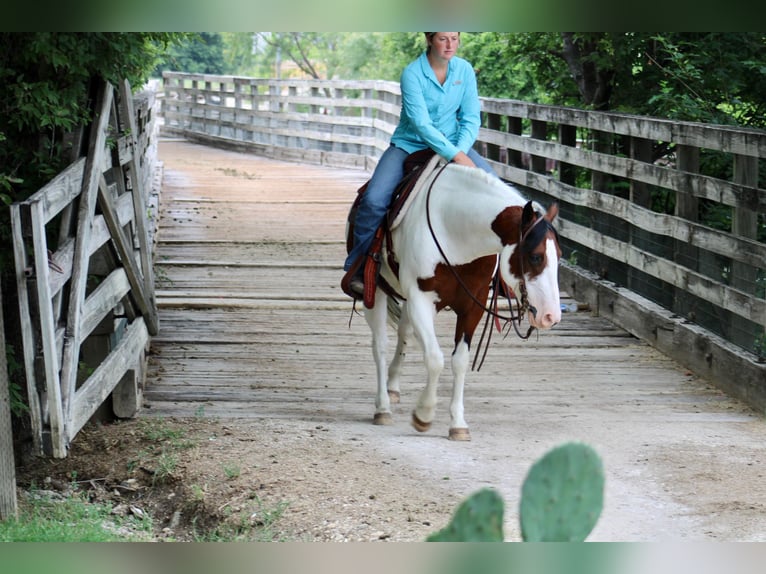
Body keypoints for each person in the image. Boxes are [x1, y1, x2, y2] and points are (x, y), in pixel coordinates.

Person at [343, 32, 497, 298]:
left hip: (454, 144)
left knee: (497, 192)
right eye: (442, 39)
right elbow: (421, 124)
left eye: (454, 38)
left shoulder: (464, 70)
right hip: (409, 145)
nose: (449, 45)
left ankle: (504, 275)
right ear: (429, 39)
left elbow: (471, 117)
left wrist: (459, 150)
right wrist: (457, 157)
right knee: (374, 199)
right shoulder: (412, 73)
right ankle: (358, 267)